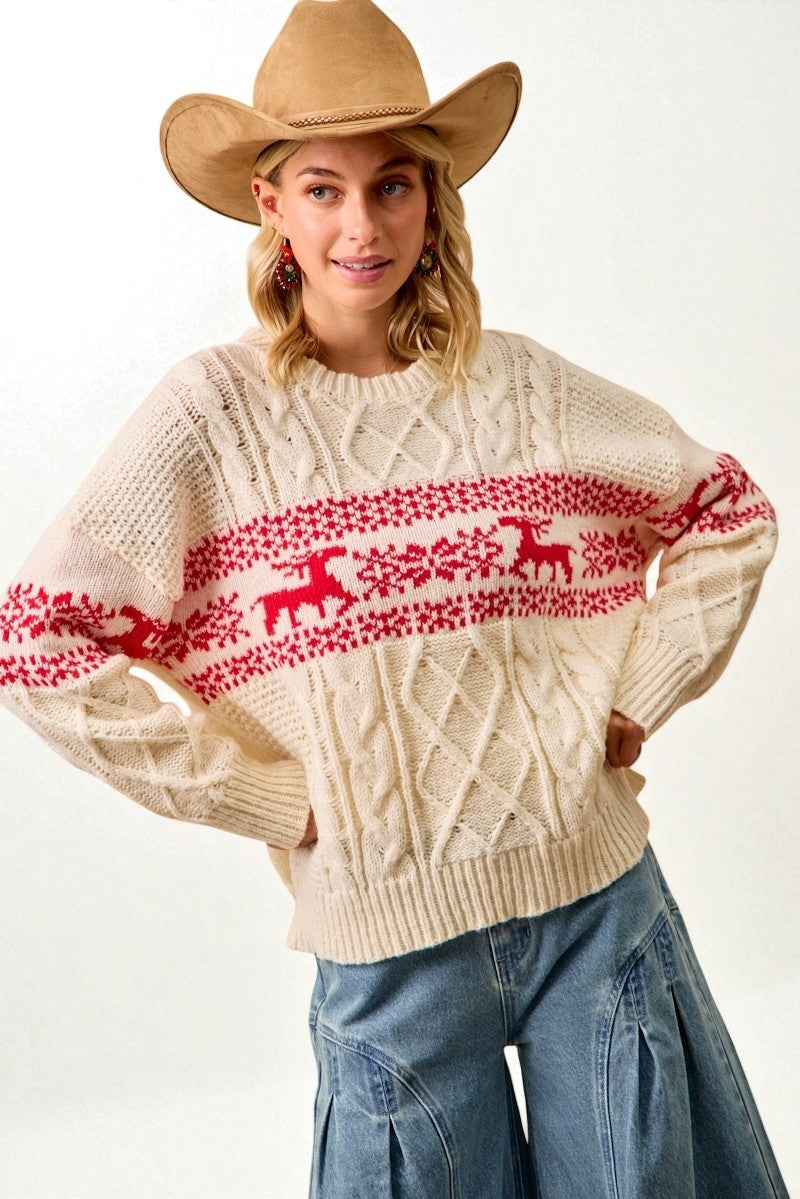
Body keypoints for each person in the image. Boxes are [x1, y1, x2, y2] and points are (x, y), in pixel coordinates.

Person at [0, 0, 789, 1195]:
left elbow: (723, 508)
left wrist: (638, 689)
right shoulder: (211, 417)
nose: (360, 226)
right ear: (271, 205)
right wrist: (262, 794)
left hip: (594, 906)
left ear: (433, 198)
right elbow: (37, 641)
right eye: (322, 188)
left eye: (392, 185)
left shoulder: (521, 387)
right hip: (389, 950)